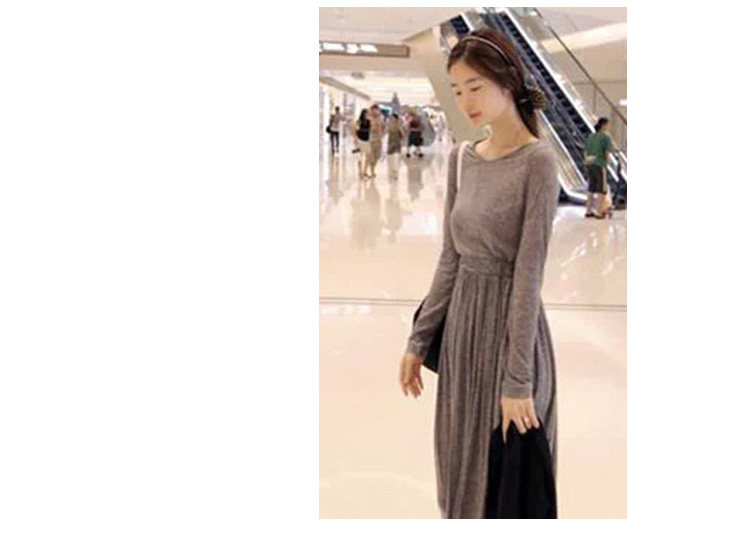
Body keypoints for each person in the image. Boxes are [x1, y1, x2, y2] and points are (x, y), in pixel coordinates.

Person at [398, 28, 559, 519]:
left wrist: (518, 380)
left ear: (507, 83)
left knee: (503, 483)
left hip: (512, 337)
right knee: (458, 465)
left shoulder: (538, 162)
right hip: (463, 335)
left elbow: (528, 275)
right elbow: (450, 257)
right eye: (457, 89)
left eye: (475, 86)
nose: (465, 100)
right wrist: (418, 341)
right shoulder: (462, 159)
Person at [583, 117, 614, 218]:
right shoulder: (605, 136)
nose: (609, 127)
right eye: (608, 125)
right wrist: (607, 162)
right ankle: (599, 212)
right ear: (603, 125)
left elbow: (585, 152)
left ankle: (588, 211)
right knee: (602, 189)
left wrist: (587, 162)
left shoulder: (591, 136)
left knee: (591, 188)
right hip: (599, 164)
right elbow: (606, 152)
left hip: (590, 163)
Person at [386, 113, 406, 182]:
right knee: (390, 160)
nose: (391, 119)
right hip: (390, 144)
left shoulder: (398, 126)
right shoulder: (389, 126)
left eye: (393, 118)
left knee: (396, 160)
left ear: (396, 119)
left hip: (397, 144)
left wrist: (403, 142)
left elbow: (403, 135)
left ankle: (395, 174)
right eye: (390, 118)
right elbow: (385, 133)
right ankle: (391, 173)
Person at [366, 105, 384, 178]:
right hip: (371, 140)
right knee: (371, 156)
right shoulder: (369, 119)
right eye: (374, 110)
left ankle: (372, 169)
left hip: (378, 139)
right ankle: (370, 170)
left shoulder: (380, 119)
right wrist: (374, 127)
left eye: (377, 110)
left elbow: (382, 128)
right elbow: (370, 129)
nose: (376, 111)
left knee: (377, 156)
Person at [354, 109, 372, 180]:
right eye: (367, 113)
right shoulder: (358, 121)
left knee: (368, 156)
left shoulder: (369, 121)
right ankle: (360, 172)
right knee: (359, 157)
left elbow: (370, 130)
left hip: (367, 141)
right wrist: (355, 138)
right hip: (360, 140)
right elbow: (355, 130)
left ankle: (365, 171)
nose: (368, 115)